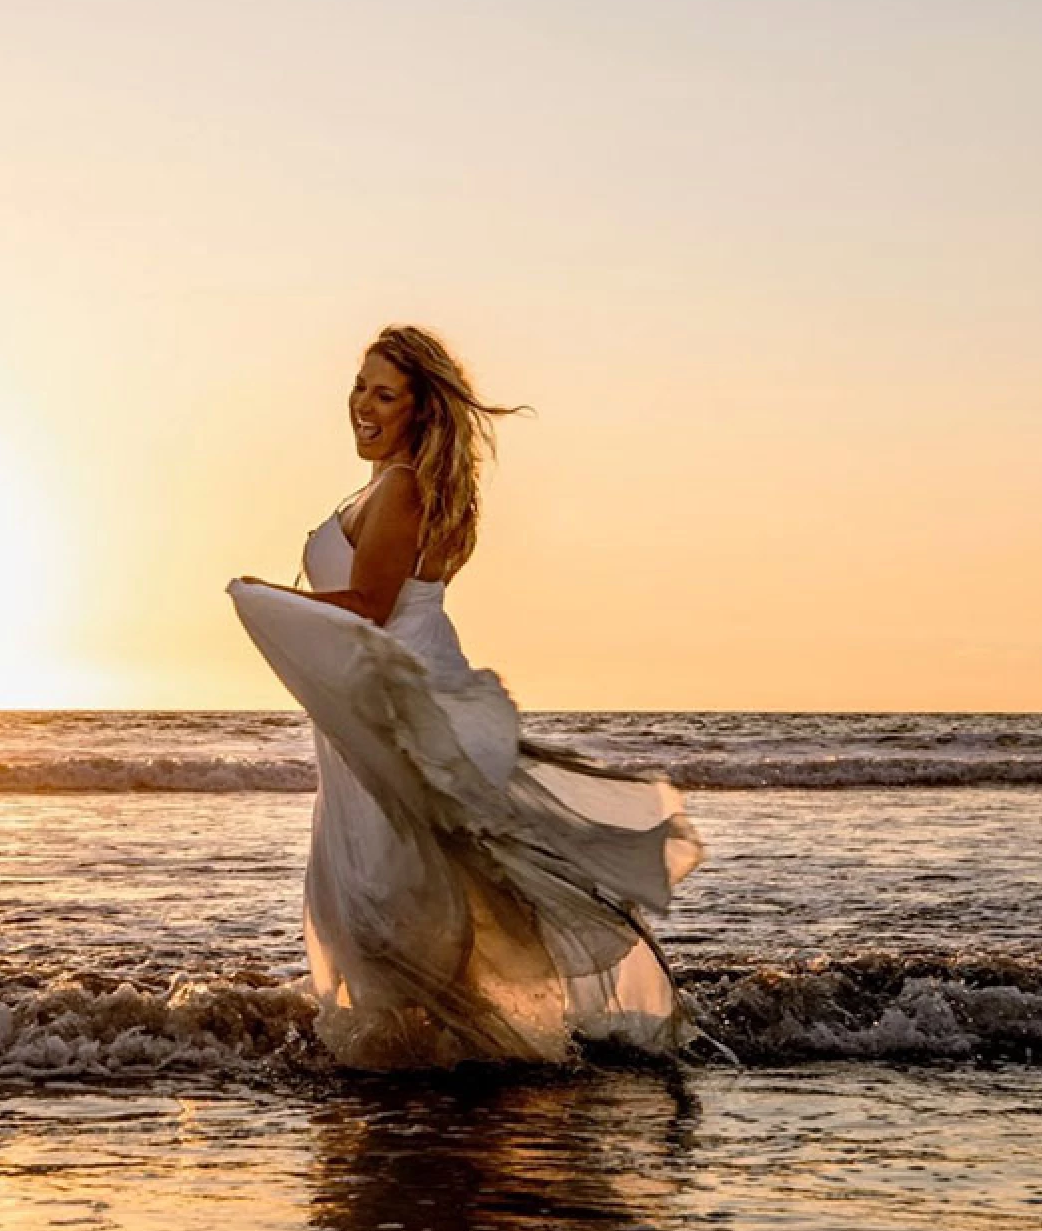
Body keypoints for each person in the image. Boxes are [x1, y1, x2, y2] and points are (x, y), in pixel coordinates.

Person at [230, 325, 703, 1068]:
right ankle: (434, 1044)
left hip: (395, 697)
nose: (362, 404)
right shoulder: (398, 482)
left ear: (421, 409)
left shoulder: (402, 485)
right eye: (359, 386)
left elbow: (371, 607)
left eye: (385, 393)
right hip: (388, 695)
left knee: (396, 881)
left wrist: (261, 594)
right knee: (413, 874)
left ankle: (428, 1056)